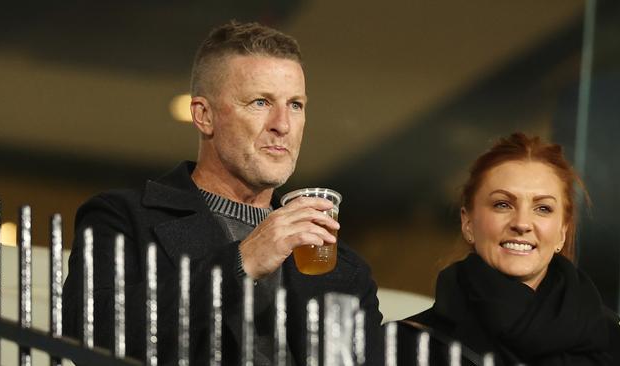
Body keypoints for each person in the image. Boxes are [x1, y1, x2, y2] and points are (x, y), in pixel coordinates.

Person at [62, 21, 383, 365]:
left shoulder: (343, 267)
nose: (283, 125)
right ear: (204, 116)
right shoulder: (124, 218)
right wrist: (241, 263)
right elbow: (88, 336)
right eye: (260, 102)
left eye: (295, 105)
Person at [400, 133, 620, 365]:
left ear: (562, 232)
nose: (522, 223)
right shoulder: (405, 343)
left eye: (543, 208)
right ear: (468, 223)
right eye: (503, 204)